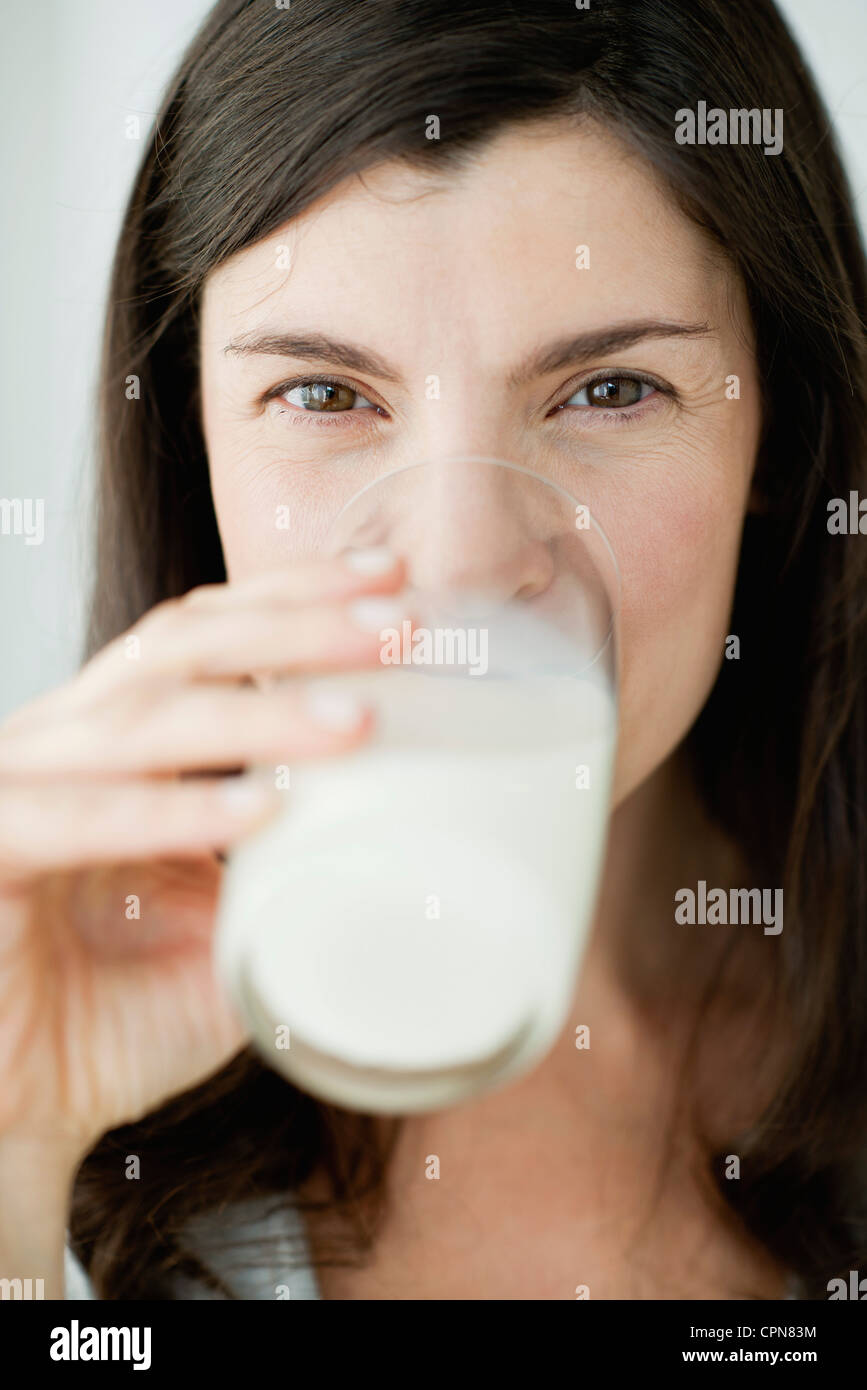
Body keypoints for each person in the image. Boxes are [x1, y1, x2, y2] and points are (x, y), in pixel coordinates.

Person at [1, 0, 865, 1301]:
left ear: (776, 440)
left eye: (611, 389)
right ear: (195, 444)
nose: (462, 563)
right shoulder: (70, 1033)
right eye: (327, 395)